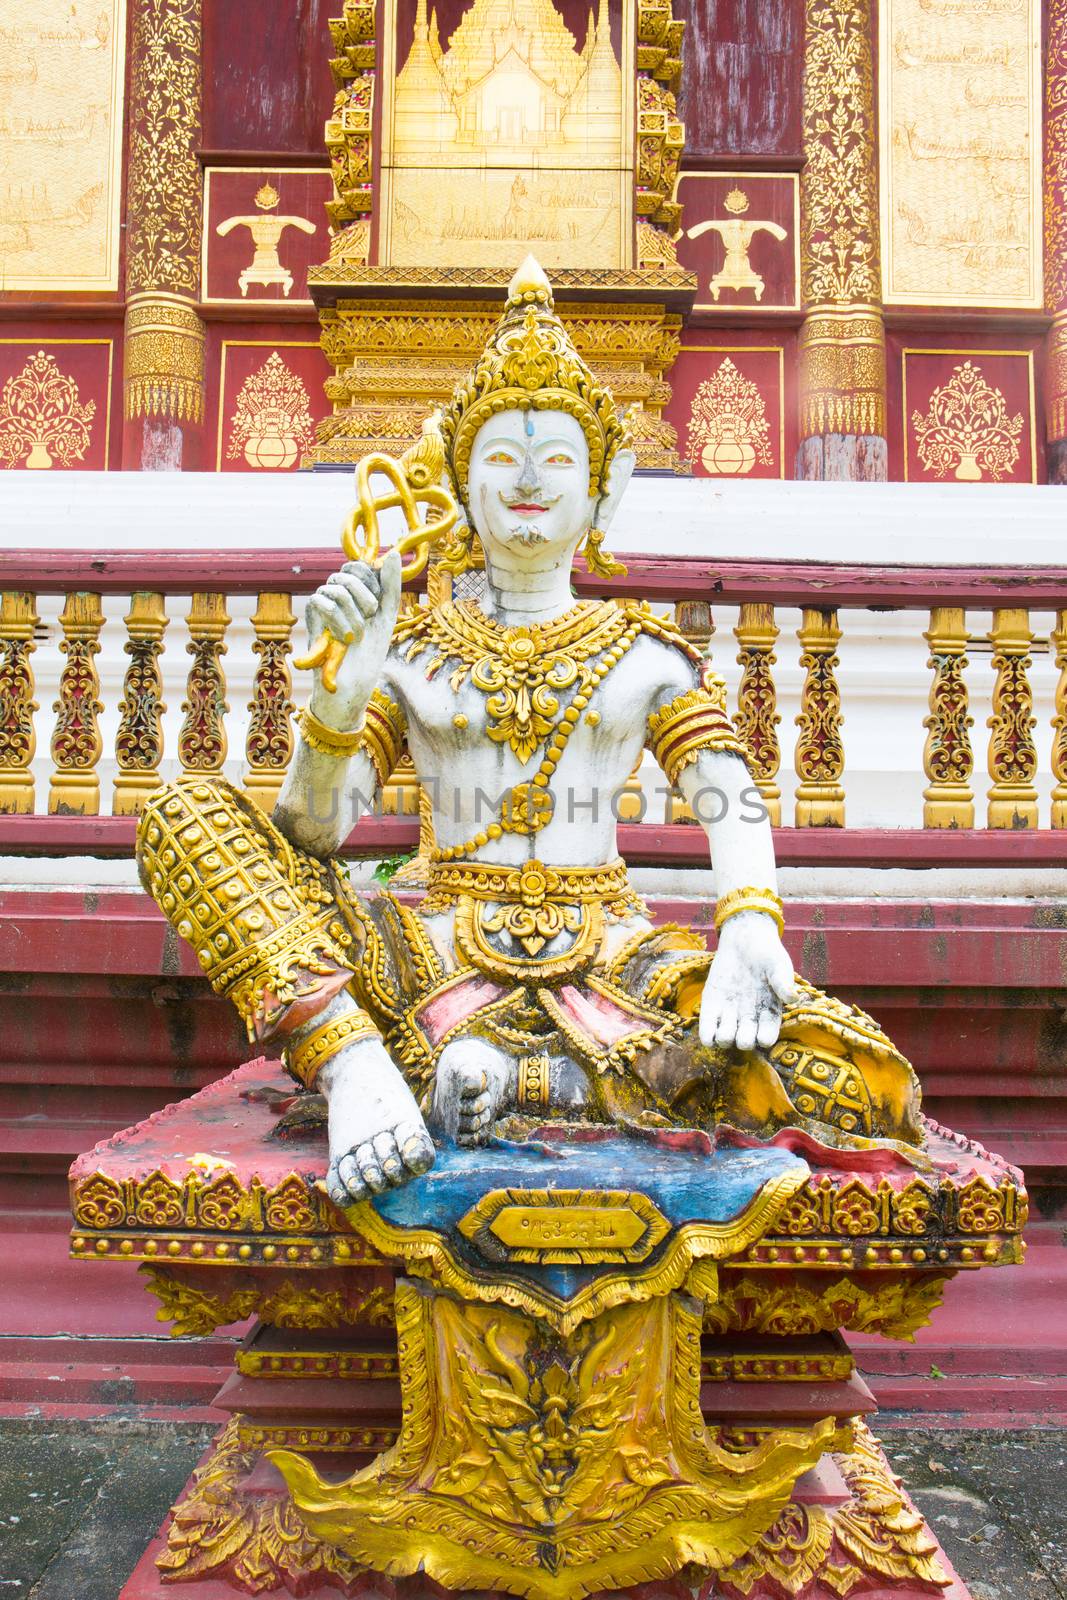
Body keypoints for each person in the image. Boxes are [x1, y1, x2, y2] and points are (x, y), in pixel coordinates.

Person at [137, 258, 922, 1210]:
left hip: (603, 957)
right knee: (184, 815)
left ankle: (497, 1085)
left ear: (602, 492)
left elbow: (726, 792)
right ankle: (355, 1067)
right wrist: (340, 700)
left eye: (557, 460)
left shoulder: (641, 651)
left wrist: (751, 924)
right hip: (426, 943)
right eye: (500, 459)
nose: (528, 482)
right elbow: (312, 837)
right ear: (460, 485)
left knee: (855, 1078)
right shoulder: (412, 649)